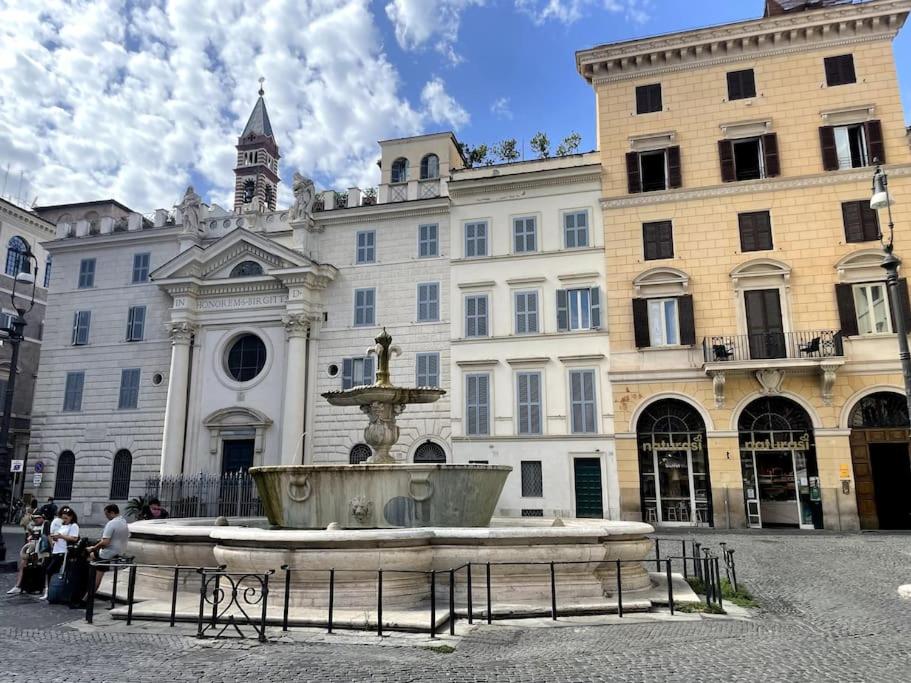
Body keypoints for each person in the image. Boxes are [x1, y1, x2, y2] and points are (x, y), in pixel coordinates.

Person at [88, 504, 131, 590]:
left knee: (89, 557)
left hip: (107, 553)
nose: (107, 517)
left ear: (111, 513)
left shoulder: (111, 523)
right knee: (92, 557)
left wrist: (93, 548)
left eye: (107, 515)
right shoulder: (123, 522)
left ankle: (87, 595)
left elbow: (105, 542)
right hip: (120, 550)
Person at [42, 507, 79, 600]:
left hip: (64, 551)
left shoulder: (73, 526)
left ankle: (53, 591)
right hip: (57, 549)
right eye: (63, 518)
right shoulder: (63, 525)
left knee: (52, 570)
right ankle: (49, 590)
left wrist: (61, 536)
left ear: (71, 517)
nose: (64, 520)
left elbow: (74, 538)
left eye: (66, 518)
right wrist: (56, 538)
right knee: (51, 570)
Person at [6, 513, 47, 595]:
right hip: (31, 548)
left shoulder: (45, 526)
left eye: (38, 518)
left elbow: (46, 538)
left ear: (42, 518)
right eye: (34, 518)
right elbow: (29, 536)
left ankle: (41, 588)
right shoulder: (34, 526)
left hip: (39, 550)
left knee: (38, 568)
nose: (36, 519)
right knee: (23, 565)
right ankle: (19, 586)